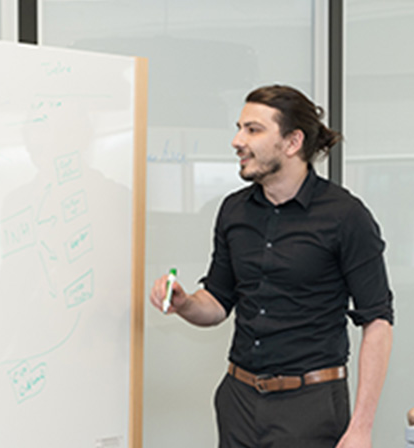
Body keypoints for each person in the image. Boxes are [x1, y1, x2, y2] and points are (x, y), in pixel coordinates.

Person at [149, 85, 394, 448]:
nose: (237, 141)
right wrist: (184, 303)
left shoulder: (346, 216)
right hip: (238, 399)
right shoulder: (233, 211)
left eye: (253, 130)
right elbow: (217, 302)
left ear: (292, 142)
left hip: (310, 407)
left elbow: (378, 321)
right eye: (239, 128)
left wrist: (361, 427)